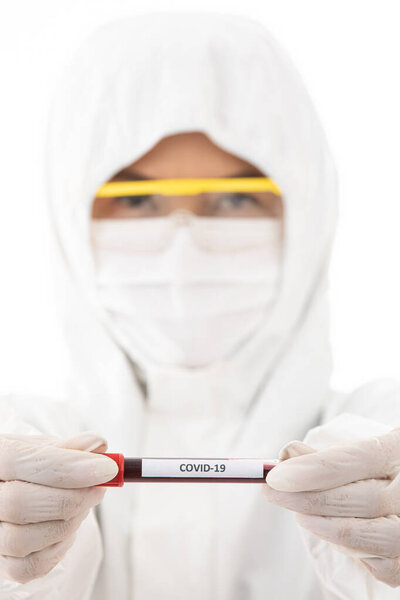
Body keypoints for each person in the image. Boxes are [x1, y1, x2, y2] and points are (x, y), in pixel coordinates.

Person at [0, 11, 399, 600]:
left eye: (236, 197)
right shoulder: (14, 438)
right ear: (69, 218)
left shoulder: (384, 432)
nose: (183, 246)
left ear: (309, 214)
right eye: (135, 200)